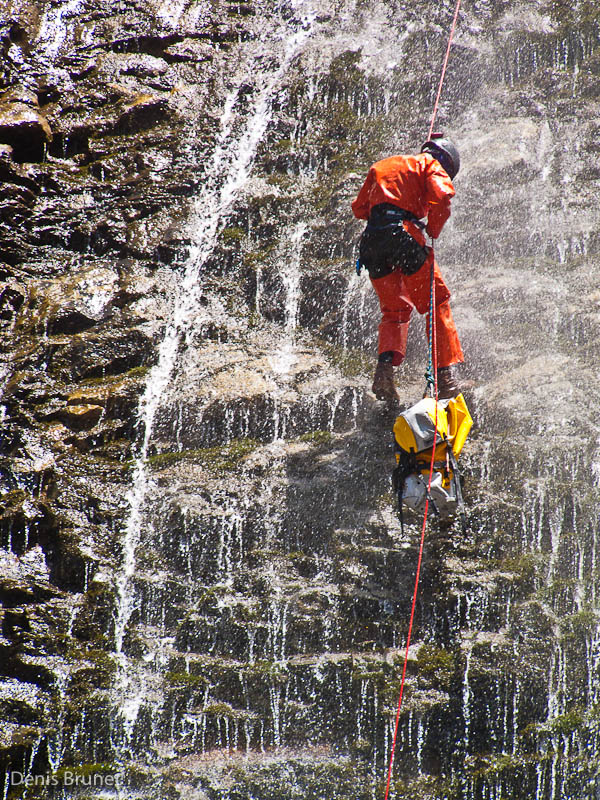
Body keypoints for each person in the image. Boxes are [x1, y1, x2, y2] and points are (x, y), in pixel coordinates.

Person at [351, 135, 466, 403]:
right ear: (445, 162)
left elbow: (359, 209)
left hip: (371, 244)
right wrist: (432, 229)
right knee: (435, 301)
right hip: (401, 236)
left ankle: (384, 372)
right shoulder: (430, 164)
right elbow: (442, 196)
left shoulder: (380, 167)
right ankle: (444, 377)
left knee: (394, 311)